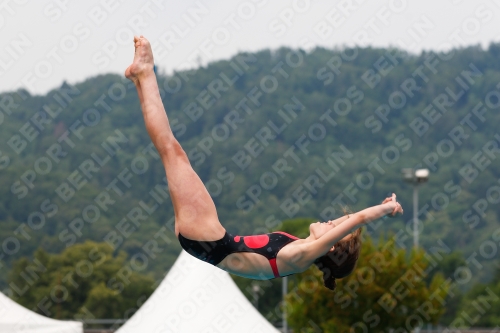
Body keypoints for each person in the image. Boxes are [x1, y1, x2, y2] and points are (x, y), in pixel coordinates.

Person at [125, 36, 403, 290]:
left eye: (334, 231)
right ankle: (141, 77)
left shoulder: (301, 256)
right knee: (170, 151)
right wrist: (365, 215)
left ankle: (145, 74)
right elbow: (350, 221)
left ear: (330, 247)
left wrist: (386, 209)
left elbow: (358, 218)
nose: (332, 222)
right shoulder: (304, 247)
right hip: (205, 238)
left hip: (208, 236)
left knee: (171, 150)